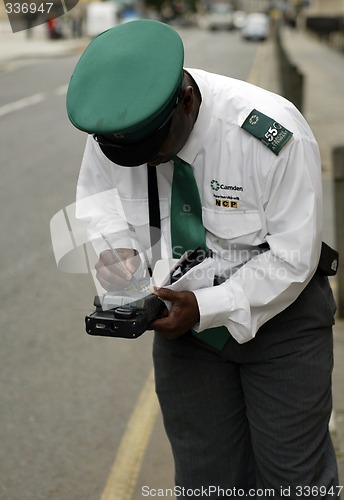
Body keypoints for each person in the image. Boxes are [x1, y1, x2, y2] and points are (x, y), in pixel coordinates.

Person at [66, 20, 340, 497]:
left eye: (157, 153)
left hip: (282, 324)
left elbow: (294, 258)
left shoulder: (271, 135)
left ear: (187, 102)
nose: (150, 165)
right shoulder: (117, 129)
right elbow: (98, 206)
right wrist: (124, 271)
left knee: (295, 482)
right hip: (185, 334)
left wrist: (209, 306)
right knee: (204, 482)